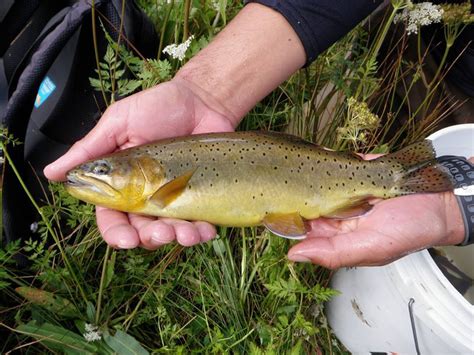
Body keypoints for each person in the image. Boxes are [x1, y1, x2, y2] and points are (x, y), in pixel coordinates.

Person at [44, 1, 472, 268]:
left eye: (102, 168)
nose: (91, 173)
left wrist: (461, 212)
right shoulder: (158, 178)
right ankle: (410, 172)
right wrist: (204, 89)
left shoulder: (161, 187)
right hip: (433, 45)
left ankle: (404, 175)